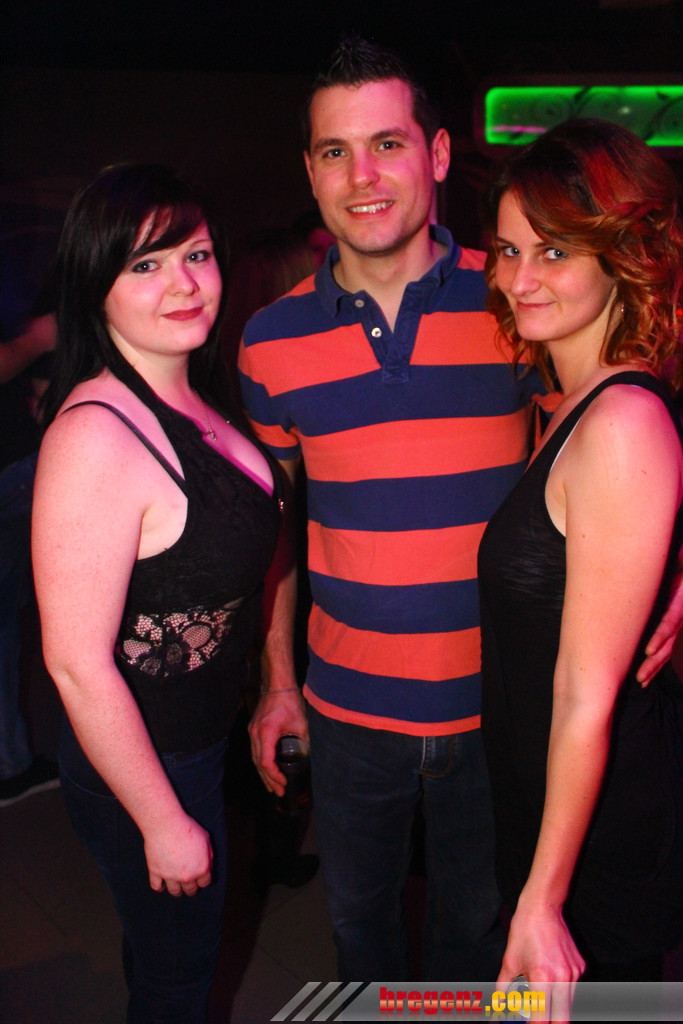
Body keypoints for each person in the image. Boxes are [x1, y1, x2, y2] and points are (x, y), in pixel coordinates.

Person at [239, 39, 682, 983]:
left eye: (387, 144)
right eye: (334, 151)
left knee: (476, 949)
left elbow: (623, 433)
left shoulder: (516, 301)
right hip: (347, 715)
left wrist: (673, 563)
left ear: (437, 154)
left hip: (497, 715)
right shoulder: (268, 343)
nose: (362, 176)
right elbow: (275, 526)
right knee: (360, 945)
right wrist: (277, 680)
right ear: (310, 171)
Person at [31, 164, 281, 1023]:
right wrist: (163, 820)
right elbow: (74, 663)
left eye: (196, 255)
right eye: (145, 264)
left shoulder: (197, 398)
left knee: (165, 960)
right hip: (146, 765)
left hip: (195, 743)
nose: (183, 283)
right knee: (179, 981)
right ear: (94, 284)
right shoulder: (97, 437)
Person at [478, 119, 683, 988]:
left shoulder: (620, 422)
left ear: (619, 255)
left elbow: (582, 695)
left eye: (554, 252)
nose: (519, 279)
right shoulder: (569, 403)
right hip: (551, 806)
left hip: (597, 840)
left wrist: (543, 899)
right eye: (507, 250)